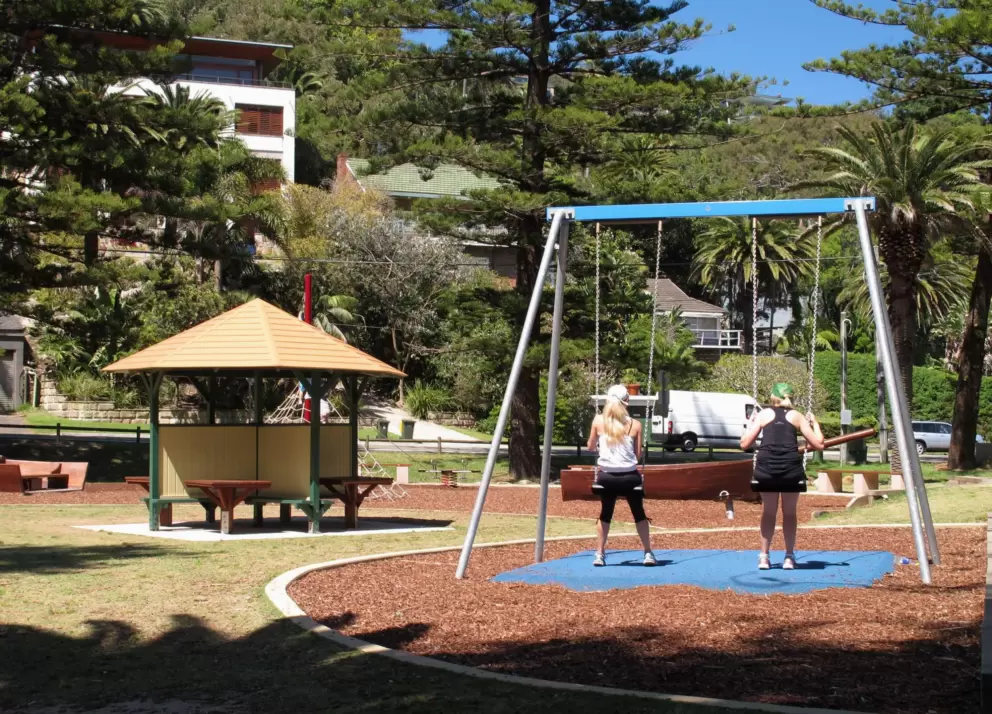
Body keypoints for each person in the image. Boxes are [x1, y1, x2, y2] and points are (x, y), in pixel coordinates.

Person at [740, 383, 824, 571]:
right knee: (789, 513)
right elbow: (819, 444)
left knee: (768, 512)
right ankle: (788, 557)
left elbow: (745, 443)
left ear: (773, 397)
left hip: (767, 469)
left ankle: (764, 557)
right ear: (790, 398)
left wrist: (750, 424)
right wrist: (816, 424)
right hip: (790, 470)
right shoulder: (797, 416)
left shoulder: (763, 415)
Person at [585, 384, 656, 567]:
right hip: (629, 478)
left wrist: (602, 447)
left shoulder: (598, 421)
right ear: (626, 402)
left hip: (606, 477)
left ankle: (600, 554)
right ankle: (648, 553)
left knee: (605, 513)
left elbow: (590, 447)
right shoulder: (635, 424)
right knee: (639, 513)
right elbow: (638, 456)